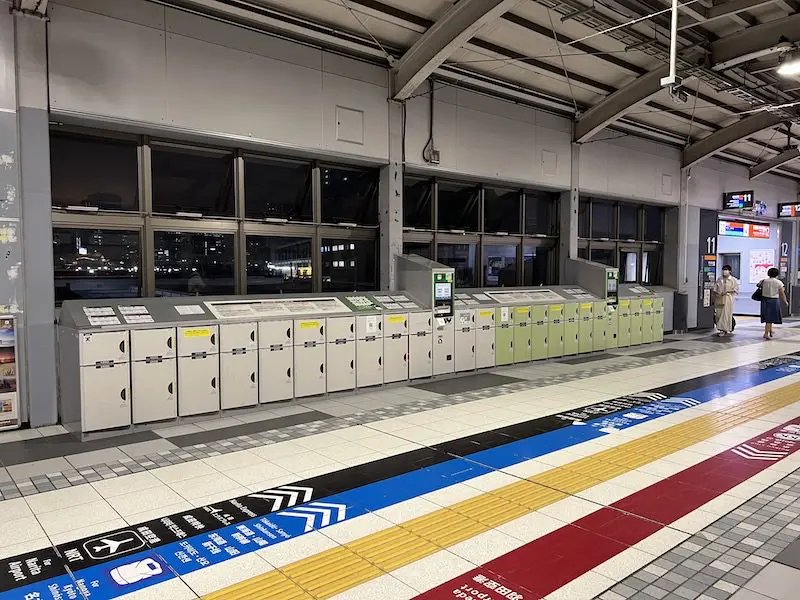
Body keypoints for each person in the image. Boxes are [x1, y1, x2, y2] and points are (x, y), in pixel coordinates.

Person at [759, 267, 788, 340]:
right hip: (774, 301)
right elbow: (782, 293)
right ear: (777, 274)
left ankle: (770, 330)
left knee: (768, 317)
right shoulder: (778, 282)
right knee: (770, 318)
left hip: (764, 300)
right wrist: (785, 301)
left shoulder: (764, 281)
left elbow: (758, 285)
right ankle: (766, 334)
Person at [712, 265, 739, 336]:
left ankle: (723, 330)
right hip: (719, 298)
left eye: (726, 270)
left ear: (730, 271)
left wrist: (727, 292)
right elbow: (715, 289)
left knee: (725, 314)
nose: (724, 271)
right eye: (723, 270)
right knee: (719, 314)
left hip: (728, 299)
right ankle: (722, 329)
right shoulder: (719, 279)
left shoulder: (733, 280)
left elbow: (735, 290)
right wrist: (715, 296)